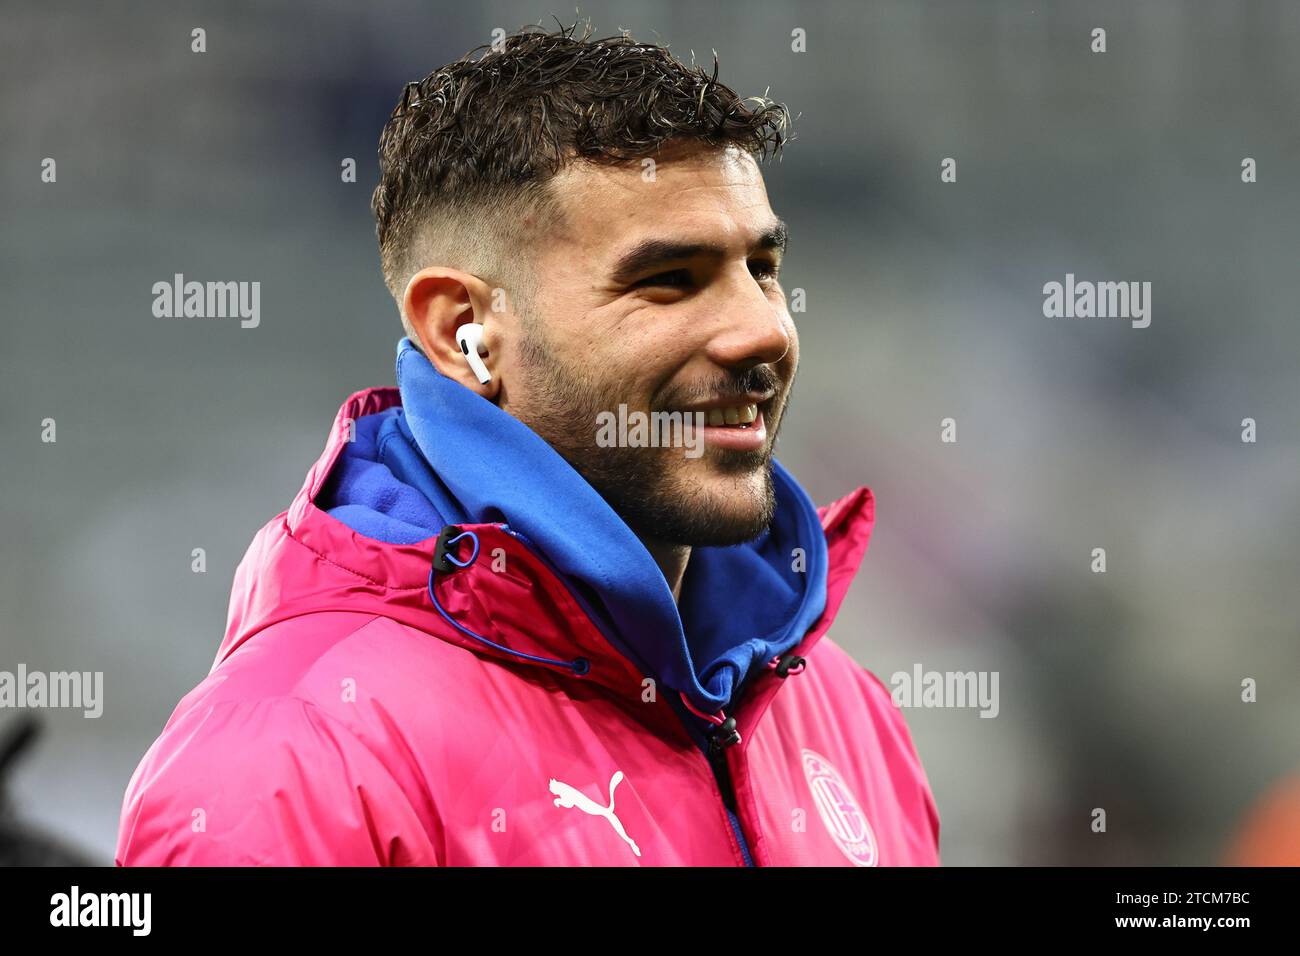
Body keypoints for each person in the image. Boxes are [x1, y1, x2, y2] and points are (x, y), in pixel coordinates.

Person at [116, 23, 940, 866]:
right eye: (667, 280)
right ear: (462, 330)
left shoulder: (845, 711)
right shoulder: (296, 763)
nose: (761, 331)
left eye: (762, 268)